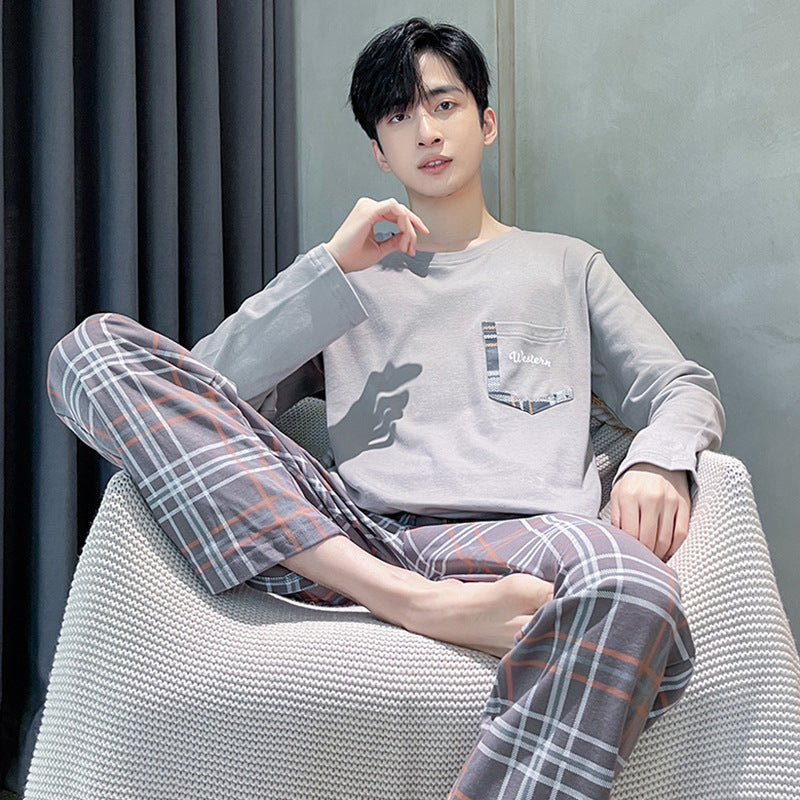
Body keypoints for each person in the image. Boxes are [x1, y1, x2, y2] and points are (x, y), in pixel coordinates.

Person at [47, 17, 724, 800]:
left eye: (444, 105)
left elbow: (681, 385)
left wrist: (657, 461)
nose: (426, 131)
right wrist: (329, 267)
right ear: (378, 150)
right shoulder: (347, 282)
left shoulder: (564, 266)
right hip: (352, 536)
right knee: (92, 350)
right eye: (399, 116)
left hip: (529, 535)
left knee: (636, 588)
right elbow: (201, 394)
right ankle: (412, 603)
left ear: (486, 122)